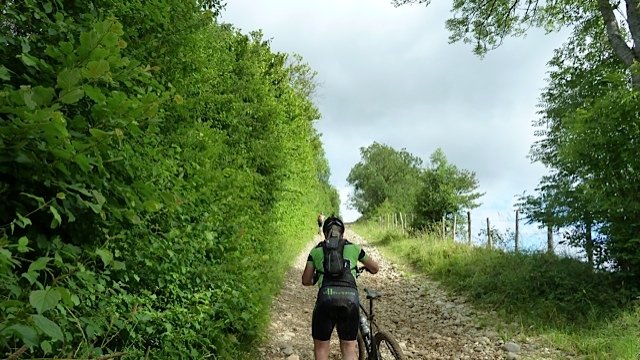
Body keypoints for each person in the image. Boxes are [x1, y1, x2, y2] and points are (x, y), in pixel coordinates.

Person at [301, 216, 380, 360]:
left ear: (325, 233)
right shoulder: (354, 247)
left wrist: (317, 277)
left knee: (321, 348)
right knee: (349, 348)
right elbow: (375, 268)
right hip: (350, 299)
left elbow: (305, 280)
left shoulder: (316, 251)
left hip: (326, 299)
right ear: (342, 233)